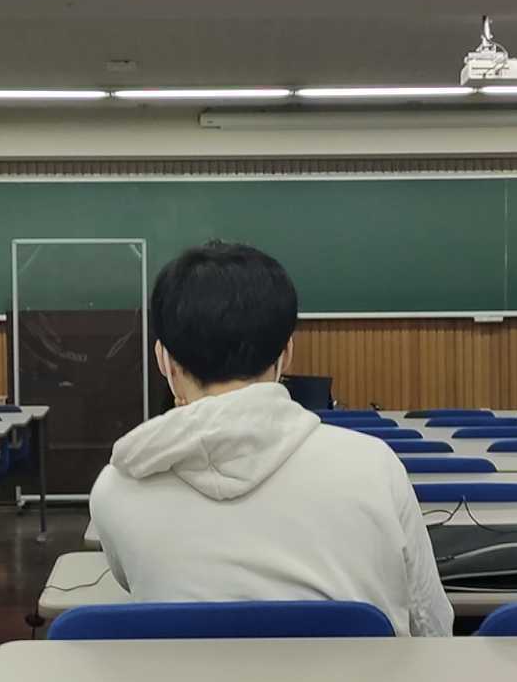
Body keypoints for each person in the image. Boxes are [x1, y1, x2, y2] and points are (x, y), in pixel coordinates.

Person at [90, 241, 453, 637]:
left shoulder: (118, 487)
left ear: (164, 360)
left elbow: (138, 587)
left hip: (189, 681)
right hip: (359, 681)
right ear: (286, 354)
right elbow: (432, 626)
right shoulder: (374, 466)